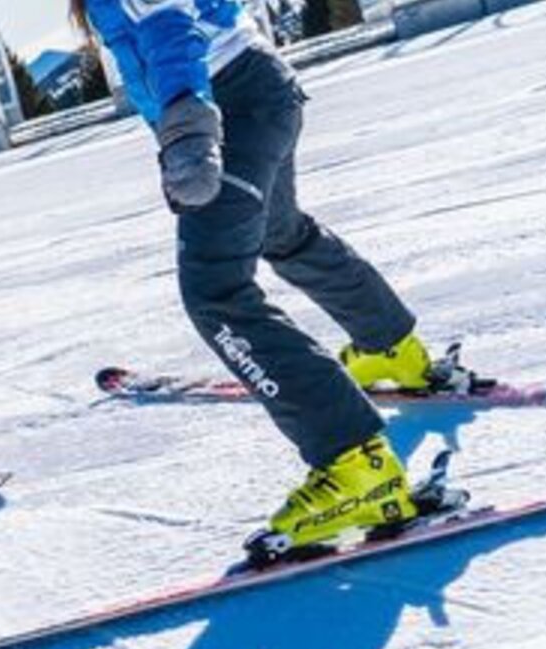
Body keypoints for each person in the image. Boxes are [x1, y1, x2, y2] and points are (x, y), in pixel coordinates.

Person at [68, 0, 438, 551]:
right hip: (255, 88)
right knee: (280, 232)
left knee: (215, 290)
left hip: (229, 104)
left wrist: (188, 131)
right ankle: (390, 347)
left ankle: (358, 466)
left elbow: (170, 24)